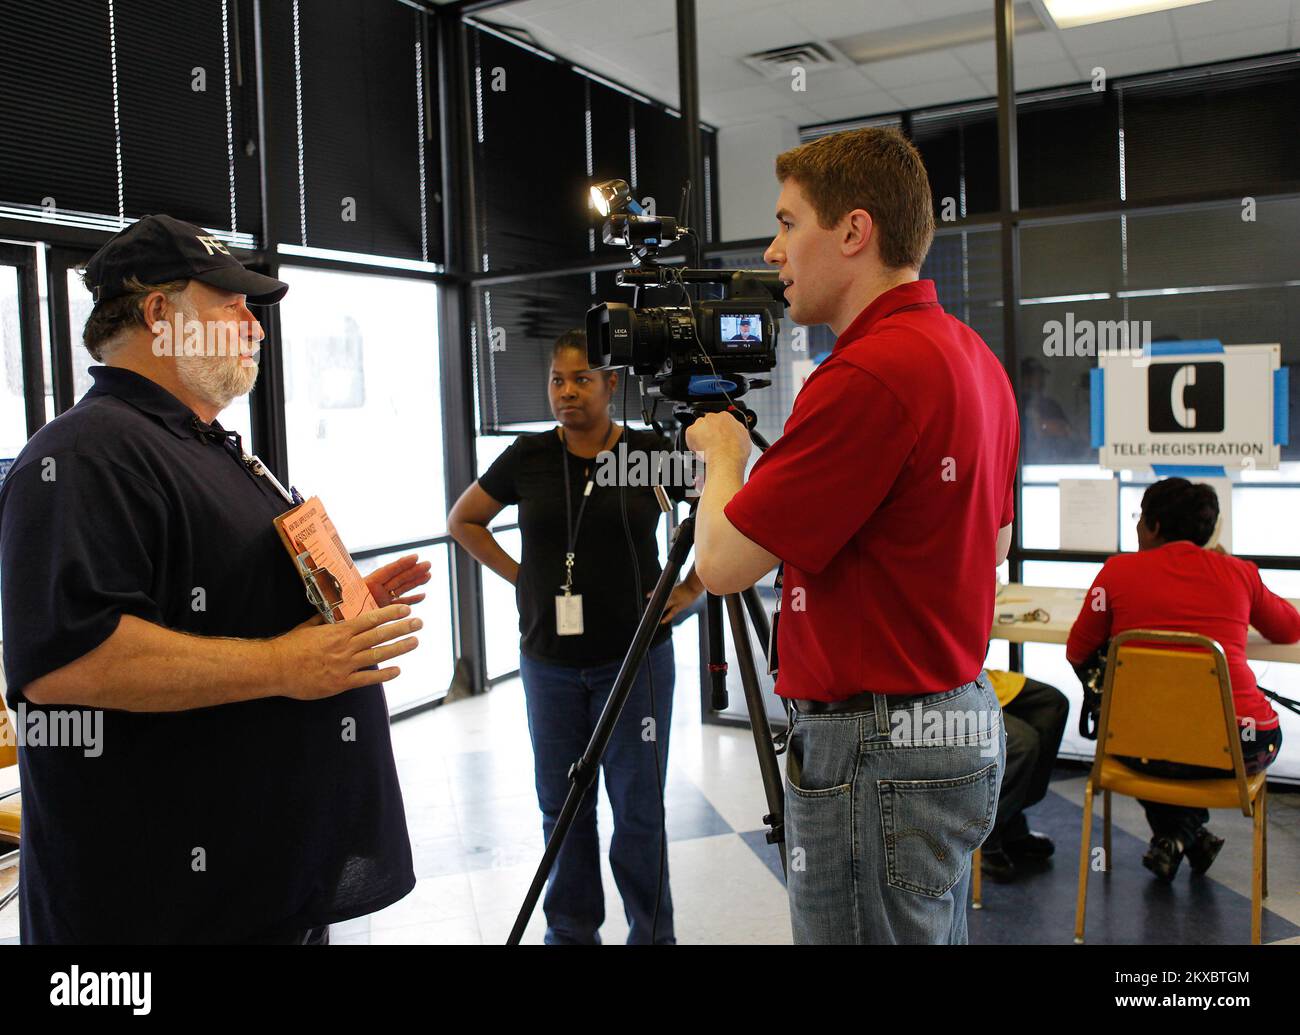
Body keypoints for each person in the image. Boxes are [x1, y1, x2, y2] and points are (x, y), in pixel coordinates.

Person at [0, 214, 429, 944]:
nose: (254, 328)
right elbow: (67, 661)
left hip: (252, 883)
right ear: (160, 314)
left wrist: (337, 610)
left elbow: (216, 601)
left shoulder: (195, 443)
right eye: (231, 305)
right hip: (158, 909)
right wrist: (284, 663)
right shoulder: (85, 452)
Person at [685, 127, 1018, 944]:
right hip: (958, 722)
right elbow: (996, 541)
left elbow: (722, 563)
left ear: (853, 232)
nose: (773, 251)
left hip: (878, 749)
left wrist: (723, 451)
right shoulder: (973, 356)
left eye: (788, 223)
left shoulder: (868, 373)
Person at [448, 328, 702, 945]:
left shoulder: (647, 452)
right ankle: (570, 933)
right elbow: (464, 520)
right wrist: (523, 579)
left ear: (612, 384)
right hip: (550, 663)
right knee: (562, 809)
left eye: (582, 379)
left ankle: (651, 935)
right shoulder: (528, 457)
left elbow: (725, 513)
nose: (567, 392)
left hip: (635, 661)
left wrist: (693, 589)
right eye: (558, 380)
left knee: (639, 813)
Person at [1067, 477, 1300, 881]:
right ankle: (1187, 837)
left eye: (1140, 518)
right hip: (1241, 747)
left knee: (1136, 734)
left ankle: (1177, 837)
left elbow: (1077, 652)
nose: (1137, 526)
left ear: (1154, 526)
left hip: (1142, 745)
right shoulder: (1239, 573)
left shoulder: (1117, 572)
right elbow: (1289, 628)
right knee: (1173, 742)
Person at [980, 670, 1068, 883]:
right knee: (1022, 744)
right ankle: (986, 835)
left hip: (975, 673)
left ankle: (1010, 822)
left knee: (1053, 704)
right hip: (942, 684)